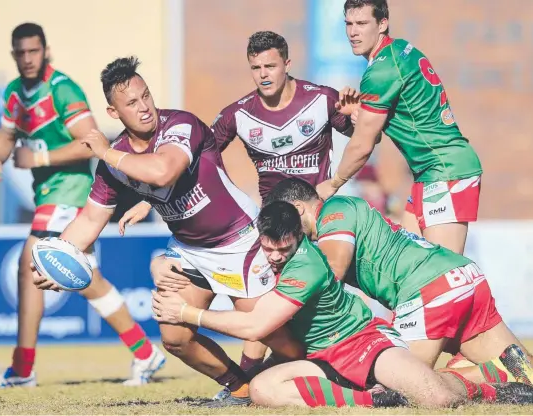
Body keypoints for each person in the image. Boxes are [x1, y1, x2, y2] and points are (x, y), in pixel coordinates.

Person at [31, 56, 303, 406]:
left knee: (278, 337)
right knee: (174, 338)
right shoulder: (115, 162)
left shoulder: (180, 125)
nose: (144, 107)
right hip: (189, 251)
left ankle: (328, 372)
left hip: (239, 241)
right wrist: (60, 259)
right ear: (114, 113)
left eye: (146, 96)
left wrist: (105, 153)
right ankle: (239, 388)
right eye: (131, 103)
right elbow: (88, 220)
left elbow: (163, 172)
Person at [119, 30, 362, 394]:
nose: (263, 73)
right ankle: (249, 386)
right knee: (269, 320)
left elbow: (362, 133)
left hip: (316, 221)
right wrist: (150, 197)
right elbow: (193, 160)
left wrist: (355, 119)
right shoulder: (238, 114)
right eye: (256, 67)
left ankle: (348, 367)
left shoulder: (321, 99)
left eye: (270, 66)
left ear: (287, 65)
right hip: (273, 231)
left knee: (319, 306)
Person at [152, 201, 533, 408]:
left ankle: (492, 386)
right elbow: (191, 252)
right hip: (323, 356)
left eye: (283, 250)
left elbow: (256, 327)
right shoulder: (257, 248)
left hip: (362, 342)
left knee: (434, 398)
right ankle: (371, 401)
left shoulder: (308, 263)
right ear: (259, 236)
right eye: (269, 249)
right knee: (263, 391)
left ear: (298, 238)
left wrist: (187, 314)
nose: (274, 258)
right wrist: (161, 261)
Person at [0, 23, 164, 389]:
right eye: (21, 53)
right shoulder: (16, 94)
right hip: (49, 196)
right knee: (79, 278)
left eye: (34, 51)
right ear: (14, 54)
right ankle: (143, 351)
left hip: (75, 192)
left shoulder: (62, 89)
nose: (28, 58)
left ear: (45, 51)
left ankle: (23, 368)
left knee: (34, 260)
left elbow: (91, 141)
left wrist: (41, 156)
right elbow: (4, 137)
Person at [265, 177, 533, 387]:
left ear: (298, 208)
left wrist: (283, 304)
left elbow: (332, 269)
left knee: (396, 384)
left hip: (428, 289)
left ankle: (495, 372)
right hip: (461, 277)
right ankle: (505, 367)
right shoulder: (346, 208)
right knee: (528, 370)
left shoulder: (334, 211)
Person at [317, 0, 483, 255]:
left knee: (441, 277)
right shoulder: (399, 50)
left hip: (446, 170)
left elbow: (363, 145)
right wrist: (360, 114)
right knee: (404, 265)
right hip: (430, 173)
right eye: (348, 24)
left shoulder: (381, 70)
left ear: (382, 24)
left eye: (362, 23)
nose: (353, 32)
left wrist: (333, 183)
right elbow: (393, 120)